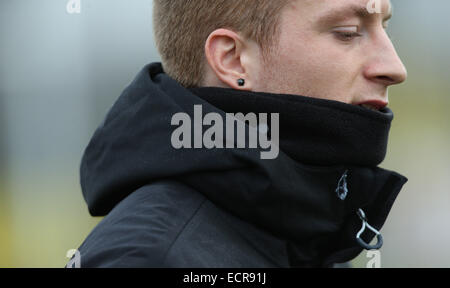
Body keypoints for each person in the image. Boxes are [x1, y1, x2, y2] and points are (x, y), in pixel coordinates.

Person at [70, 0, 408, 268]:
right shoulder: (146, 259)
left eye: (385, 27)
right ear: (232, 59)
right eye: (348, 32)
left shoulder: (311, 235)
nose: (395, 67)